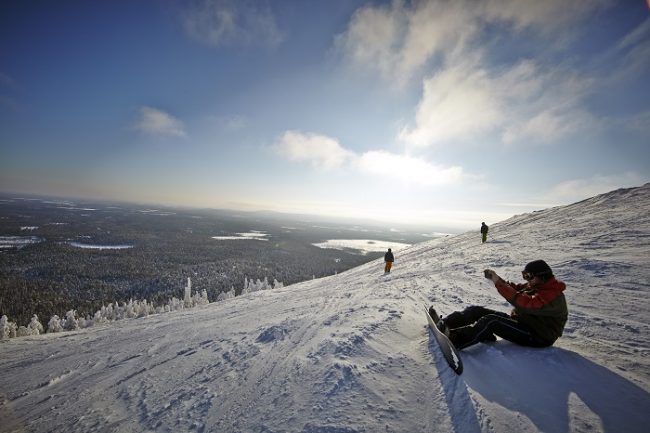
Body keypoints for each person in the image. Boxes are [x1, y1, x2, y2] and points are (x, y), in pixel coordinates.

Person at [429, 260, 568, 350]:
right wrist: (496, 279)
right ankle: (445, 324)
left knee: (491, 321)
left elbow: (526, 303)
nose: (526, 280)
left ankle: (457, 340)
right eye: (525, 276)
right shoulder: (538, 286)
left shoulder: (553, 296)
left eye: (529, 276)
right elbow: (515, 289)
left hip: (538, 336)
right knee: (476, 311)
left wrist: (498, 283)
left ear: (542, 276)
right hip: (524, 323)